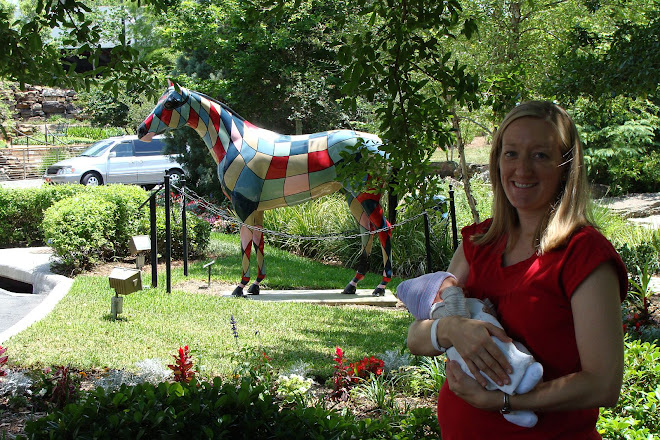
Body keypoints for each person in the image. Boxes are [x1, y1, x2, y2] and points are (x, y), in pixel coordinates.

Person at [406, 101, 628, 439]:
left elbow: (603, 383)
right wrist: (451, 329)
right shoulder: (478, 243)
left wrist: (505, 401)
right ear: (497, 163)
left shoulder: (584, 255)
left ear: (565, 167)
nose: (522, 170)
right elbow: (416, 336)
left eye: (540, 155)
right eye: (511, 154)